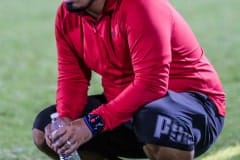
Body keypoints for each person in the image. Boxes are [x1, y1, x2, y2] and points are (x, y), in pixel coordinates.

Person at [32, 0, 226, 159]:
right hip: (126, 110)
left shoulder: (142, 5)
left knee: (153, 119)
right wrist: (66, 120)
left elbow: (151, 85)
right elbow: (73, 78)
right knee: (44, 132)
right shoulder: (67, 15)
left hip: (194, 108)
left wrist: (91, 124)